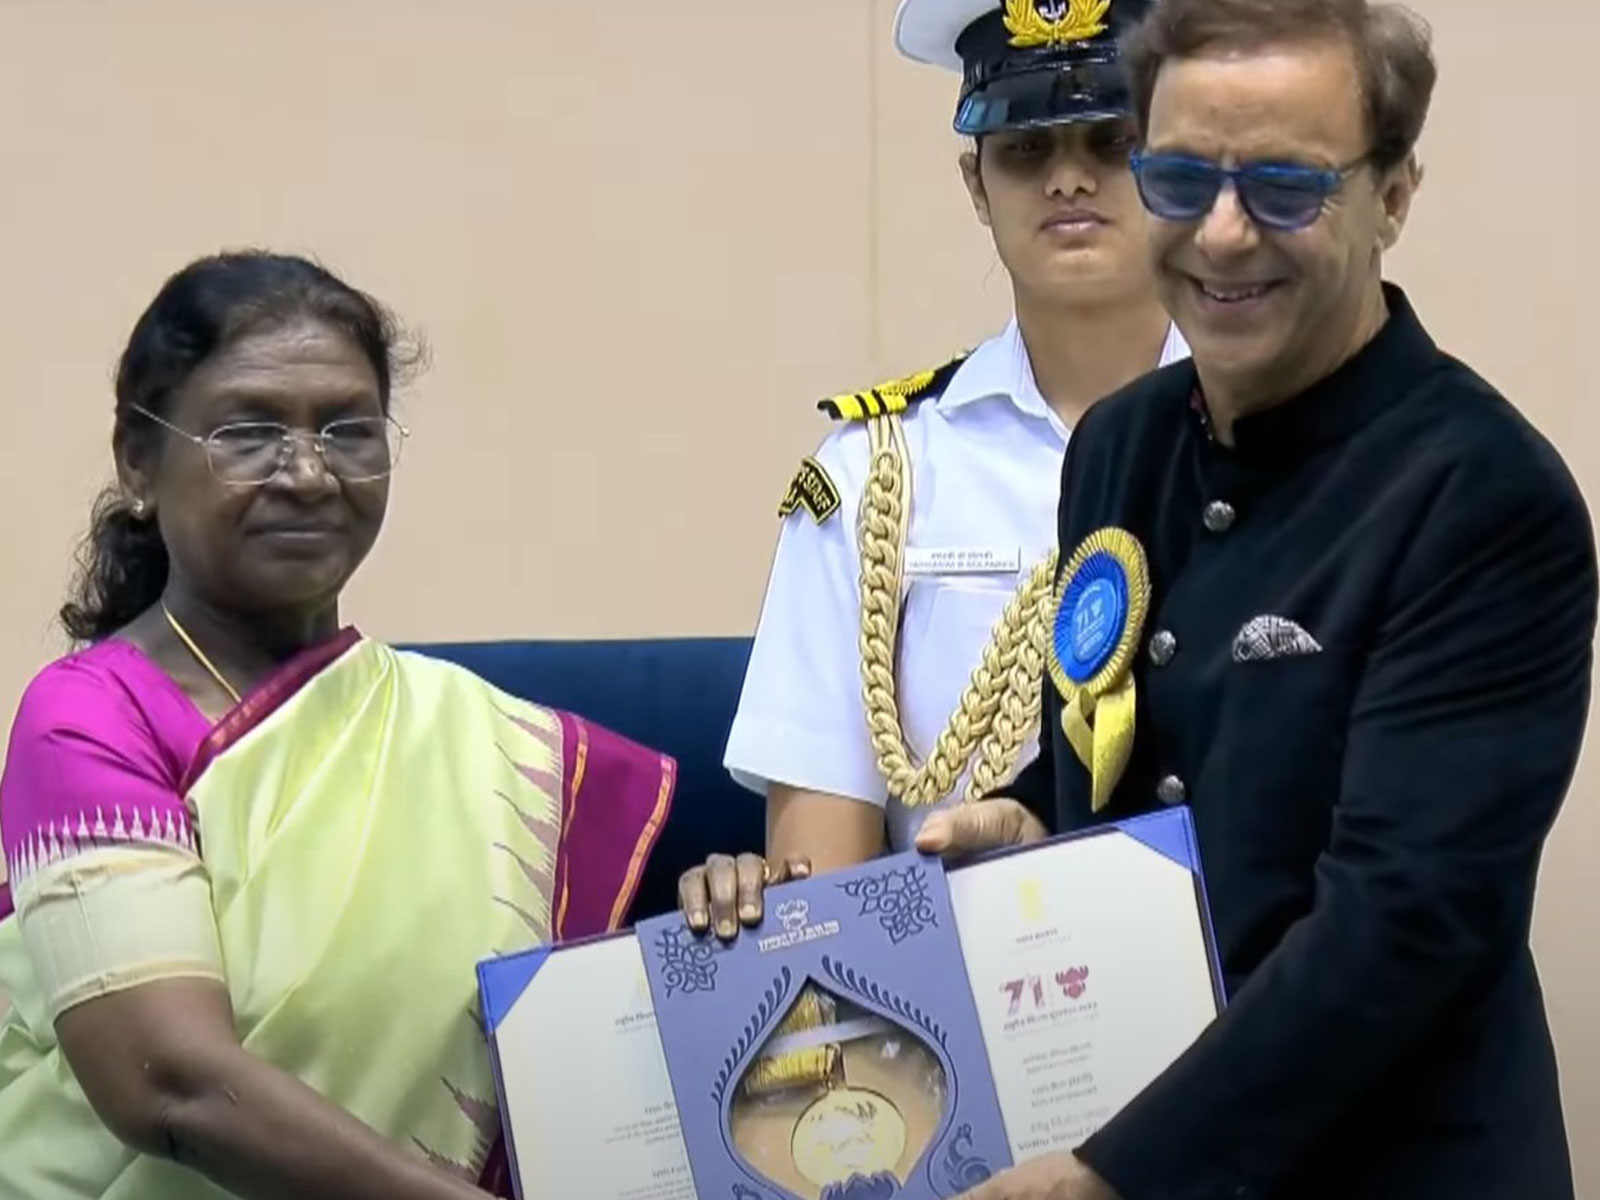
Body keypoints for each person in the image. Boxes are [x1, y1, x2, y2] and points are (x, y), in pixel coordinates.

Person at [923, 1, 1597, 1198]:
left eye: (1285, 187)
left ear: (1391, 196)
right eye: (1179, 179)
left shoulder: (1484, 495)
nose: (1222, 236)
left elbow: (1405, 923)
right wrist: (1036, 820)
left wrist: (1112, 1173)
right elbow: (1128, 731)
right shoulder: (1121, 447)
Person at [0, 251, 676, 1200]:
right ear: (139, 463)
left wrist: (729, 913)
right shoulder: (89, 720)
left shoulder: (480, 740)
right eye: (248, 431)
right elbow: (170, 1083)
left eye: (348, 430)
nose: (310, 473)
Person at [682, 0, 1189, 937]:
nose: (1069, 179)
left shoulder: (1259, 445)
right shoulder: (878, 472)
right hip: (952, 988)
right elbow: (821, 887)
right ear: (975, 184)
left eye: (1110, 142)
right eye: (1027, 151)